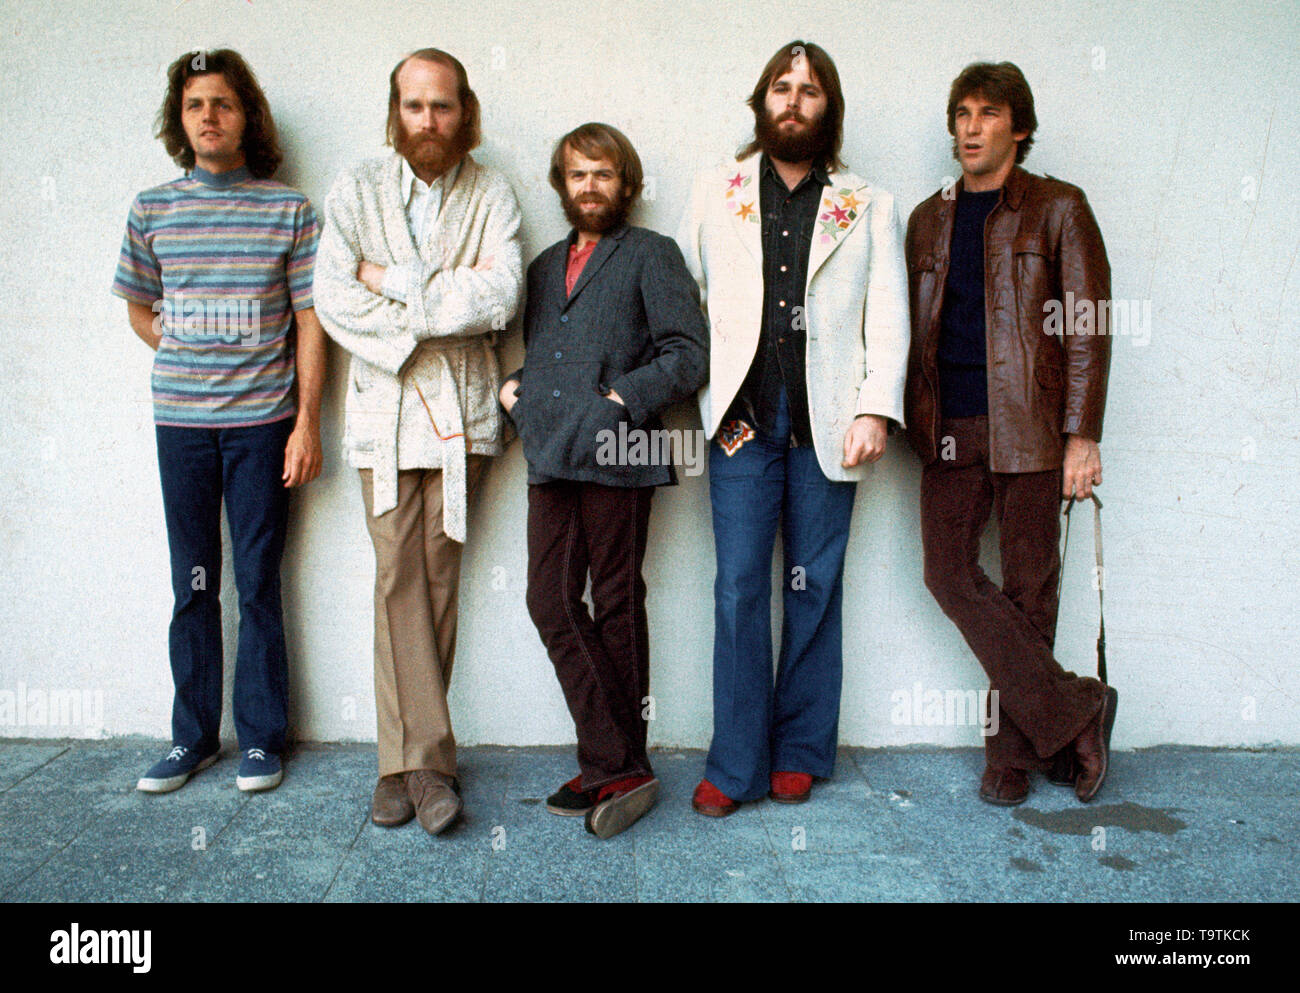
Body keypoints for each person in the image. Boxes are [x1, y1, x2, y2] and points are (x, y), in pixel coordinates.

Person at [677, 41, 910, 816]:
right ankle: (733, 763)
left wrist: (877, 405)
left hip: (830, 424)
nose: (793, 100)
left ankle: (802, 750)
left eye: (810, 91)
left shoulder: (868, 202)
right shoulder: (717, 190)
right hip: (740, 425)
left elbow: (889, 311)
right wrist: (703, 400)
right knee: (739, 587)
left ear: (828, 110)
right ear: (761, 100)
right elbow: (686, 298)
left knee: (815, 587)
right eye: (782, 86)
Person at [313, 48, 523, 836]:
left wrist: (393, 280)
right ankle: (425, 765)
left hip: (461, 415)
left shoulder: (491, 190)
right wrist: (431, 306)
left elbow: (502, 291)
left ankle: (401, 769)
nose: (428, 120)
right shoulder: (357, 188)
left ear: (464, 110)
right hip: (383, 411)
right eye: (413, 106)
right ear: (393, 110)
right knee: (396, 574)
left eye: (442, 106)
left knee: (435, 577)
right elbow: (333, 296)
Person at [903, 61, 1117, 806]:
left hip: (1030, 424)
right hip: (950, 428)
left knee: (1031, 590)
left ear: (1018, 128)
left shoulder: (1058, 207)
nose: (969, 126)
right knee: (948, 572)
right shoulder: (929, 218)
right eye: (960, 112)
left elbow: (1088, 326)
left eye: (988, 113)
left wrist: (1081, 435)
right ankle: (1076, 708)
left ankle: (1011, 758)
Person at [113, 49, 325, 795]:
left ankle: (262, 738)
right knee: (192, 581)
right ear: (181, 119)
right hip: (180, 424)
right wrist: (187, 347)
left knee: (259, 580)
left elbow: (309, 323)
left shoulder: (287, 208)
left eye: (224, 103)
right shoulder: (152, 208)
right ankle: (192, 737)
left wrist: (306, 423)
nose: (209, 115)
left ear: (247, 116)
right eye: (196, 104)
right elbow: (141, 308)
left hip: (263, 423)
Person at [499, 123, 707, 838]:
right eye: (578, 174)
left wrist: (619, 400)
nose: (591, 186)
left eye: (605, 173)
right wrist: (516, 390)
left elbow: (688, 354)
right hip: (550, 453)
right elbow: (550, 356)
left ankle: (613, 762)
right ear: (562, 185)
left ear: (627, 183)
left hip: (620, 451)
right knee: (549, 597)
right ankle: (616, 761)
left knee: (616, 599)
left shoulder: (652, 254)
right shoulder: (542, 266)